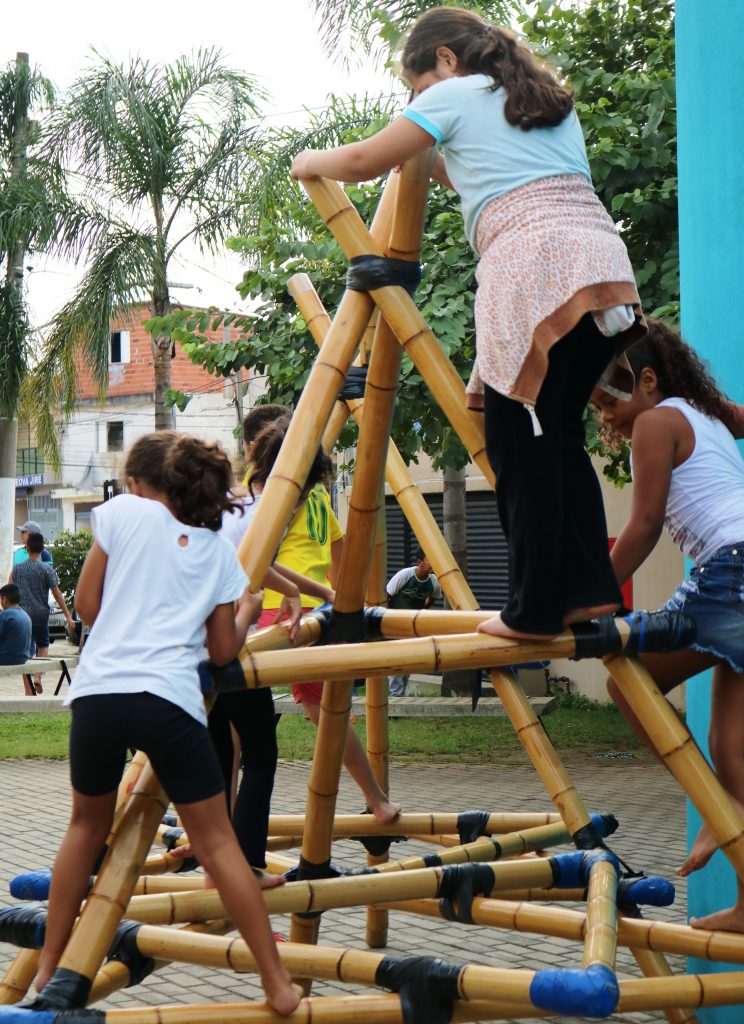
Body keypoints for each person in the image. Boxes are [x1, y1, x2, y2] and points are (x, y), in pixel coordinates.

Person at [290, 6, 646, 642]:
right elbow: (464, 168)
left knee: (518, 444)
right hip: (601, 273)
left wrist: (308, 160)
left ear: (447, 62)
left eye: (417, 88)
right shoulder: (544, 103)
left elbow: (368, 158)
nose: (418, 102)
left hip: (535, 271)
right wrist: (426, 158)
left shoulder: (454, 92)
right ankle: (591, 594)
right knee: (558, 437)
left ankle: (533, 610)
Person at [34, 431, 302, 1016]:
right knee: (215, 843)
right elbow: (224, 652)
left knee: (84, 827)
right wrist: (250, 606)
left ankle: (49, 967)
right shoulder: (216, 555)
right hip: (168, 699)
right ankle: (277, 983)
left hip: (99, 694)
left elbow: (86, 607)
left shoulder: (123, 514)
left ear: (157, 483)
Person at [593, 318, 744, 932]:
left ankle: (716, 806)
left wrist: (590, 592)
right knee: (732, 748)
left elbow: (645, 524)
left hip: (728, 573)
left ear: (647, 381)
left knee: (625, 682)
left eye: (609, 401)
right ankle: (741, 875)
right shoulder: (707, 411)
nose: (606, 418)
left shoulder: (655, 422)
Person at [248, 410, 401, 826]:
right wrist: (338, 601)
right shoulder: (316, 494)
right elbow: (339, 552)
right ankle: (377, 797)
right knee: (326, 717)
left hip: (275, 612)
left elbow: (253, 560)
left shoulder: (267, 494)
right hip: (318, 613)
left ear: (253, 451)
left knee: (231, 716)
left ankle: (217, 822)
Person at [11, 533, 75, 695]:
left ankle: (28, 690)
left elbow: (10, 589)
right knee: (43, 645)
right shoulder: (47, 569)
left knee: (25, 652)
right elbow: (58, 594)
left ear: (27, 548)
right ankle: (38, 677)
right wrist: (68, 616)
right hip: (41, 614)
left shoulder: (17, 569)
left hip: (22, 615)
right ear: (42, 549)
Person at [386, 547, 442, 696]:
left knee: (409, 661)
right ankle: (395, 696)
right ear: (420, 562)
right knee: (398, 659)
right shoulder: (405, 575)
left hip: (413, 626)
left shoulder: (433, 581)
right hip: (395, 623)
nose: (434, 563)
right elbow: (386, 596)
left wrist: (423, 610)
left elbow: (435, 596)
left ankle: (399, 694)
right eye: (430, 559)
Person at [0, 584, 33, 673]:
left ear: (5, 599)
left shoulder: (4, 615)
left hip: (5, 658)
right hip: (22, 659)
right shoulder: (26, 615)